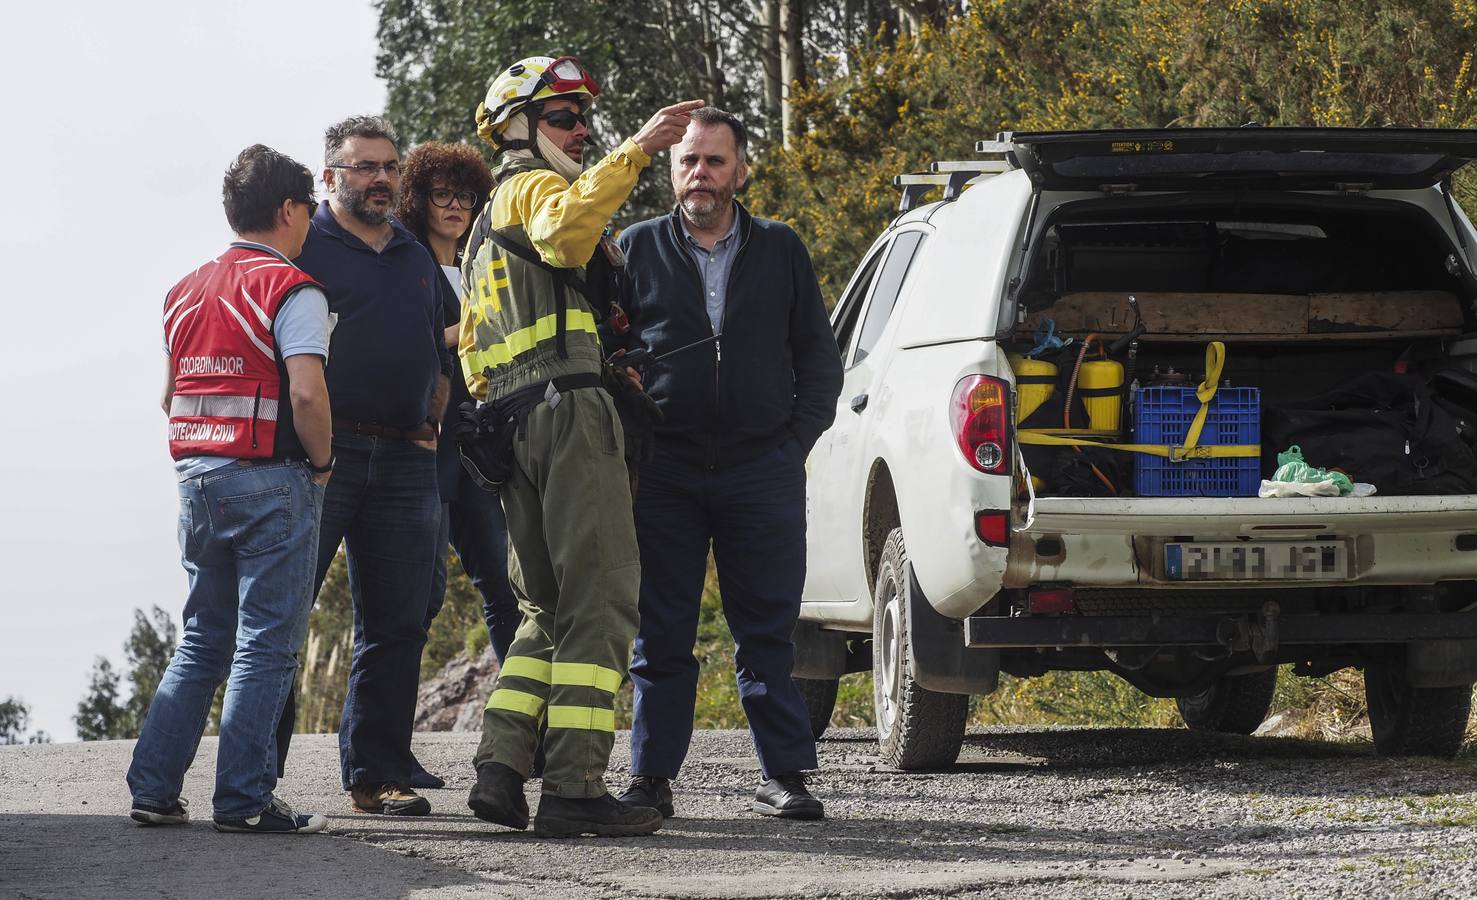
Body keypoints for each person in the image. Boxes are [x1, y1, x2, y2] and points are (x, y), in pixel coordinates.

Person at [457, 54, 701, 838]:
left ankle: (499, 770)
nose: (580, 130)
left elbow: (471, 347)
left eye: (582, 119)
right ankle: (572, 787)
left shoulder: (478, 233)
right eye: (563, 117)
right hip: (566, 415)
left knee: (544, 607)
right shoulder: (533, 187)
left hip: (513, 425)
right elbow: (566, 238)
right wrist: (634, 149)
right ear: (520, 130)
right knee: (600, 597)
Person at [610, 107, 843, 821]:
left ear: (740, 170)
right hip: (667, 469)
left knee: (767, 629)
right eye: (687, 162)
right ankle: (651, 779)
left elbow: (817, 359)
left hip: (759, 467)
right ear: (670, 170)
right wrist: (632, 425)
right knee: (662, 630)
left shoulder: (780, 248)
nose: (699, 174)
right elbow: (609, 352)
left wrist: (789, 442)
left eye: (714, 161)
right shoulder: (634, 247)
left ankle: (785, 775)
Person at [128, 144, 333, 835]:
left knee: (201, 642)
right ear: (287, 209)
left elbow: (167, 397)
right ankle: (243, 800)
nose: (310, 222)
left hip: (196, 482)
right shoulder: (291, 288)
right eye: (308, 209)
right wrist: (324, 464)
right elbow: (305, 393)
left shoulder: (183, 290)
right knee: (265, 646)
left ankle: (153, 788)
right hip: (271, 480)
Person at [278, 115, 457, 817]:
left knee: (398, 623)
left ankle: (377, 774)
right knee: (283, 617)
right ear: (330, 178)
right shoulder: (303, 246)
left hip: (406, 456)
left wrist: (432, 419)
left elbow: (441, 343)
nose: (381, 178)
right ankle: (256, 772)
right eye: (364, 167)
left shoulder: (414, 252)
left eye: (389, 166)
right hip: (322, 456)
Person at [394, 140, 514, 789]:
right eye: (442, 194)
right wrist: (468, 327)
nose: (456, 206)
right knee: (420, 599)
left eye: (466, 195)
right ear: (420, 198)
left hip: (477, 445)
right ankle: (392, 748)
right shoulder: (409, 264)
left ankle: (530, 731)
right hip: (424, 446)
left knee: (502, 584)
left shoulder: (475, 262)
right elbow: (406, 339)